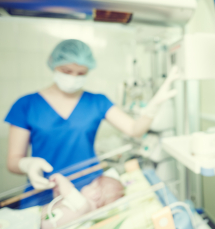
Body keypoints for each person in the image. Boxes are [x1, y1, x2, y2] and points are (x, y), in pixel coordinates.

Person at [5, 39, 180, 208]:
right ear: (53, 64)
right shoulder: (26, 104)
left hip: (92, 192)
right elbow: (13, 161)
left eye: (81, 73)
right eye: (66, 71)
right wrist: (27, 165)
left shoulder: (97, 101)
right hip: (44, 193)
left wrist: (154, 106)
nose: (73, 77)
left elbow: (135, 130)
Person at [41, 173, 124, 229]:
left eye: (91, 184)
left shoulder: (85, 206)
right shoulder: (80, 207)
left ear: (95, 195)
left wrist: (59, 178)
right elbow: (59, 203)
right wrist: (58, 190)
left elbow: (69, 191)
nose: (86, 185)